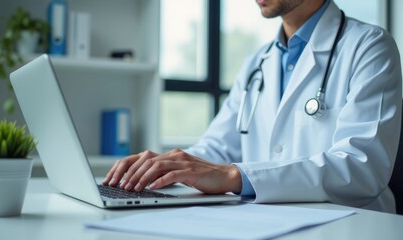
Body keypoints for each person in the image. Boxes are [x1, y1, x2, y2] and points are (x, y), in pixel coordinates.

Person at [103, 0, 402, 213]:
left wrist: (237, 176)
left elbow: (361, 167)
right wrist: (168, 168)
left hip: (353, 226)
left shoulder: (369, 47)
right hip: (267, 220)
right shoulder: (258, 62)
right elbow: (218, 149)